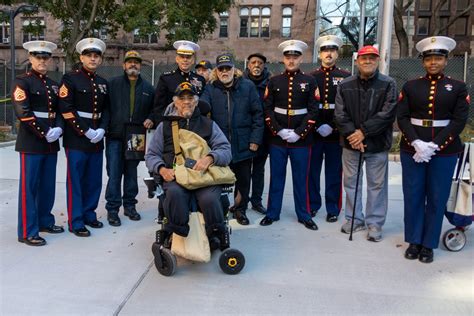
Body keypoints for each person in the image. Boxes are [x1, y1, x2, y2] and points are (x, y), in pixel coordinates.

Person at [397, 36, 469, 263]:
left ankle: (429, 244)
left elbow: (459, 120)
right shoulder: (410, 86)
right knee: (413, 195)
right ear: (423, 62)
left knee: (437, 197)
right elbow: (402, 116)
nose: (433, 63)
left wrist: (435, 145)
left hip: (444, 151)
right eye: (429, 59)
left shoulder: (458, 87)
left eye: (438, 58)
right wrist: (417, 142)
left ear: (446, 60)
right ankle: (414, 240)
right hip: (412, 148)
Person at [145, 82, 232, 246]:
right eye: (182, 98)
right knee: (175, 194)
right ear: (175, 102)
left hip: (204, 176)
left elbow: (226, 150)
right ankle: (178, 235)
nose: (186, 102)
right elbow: (151, 155)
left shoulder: (209, 125)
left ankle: (214, 234)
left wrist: (210, 158)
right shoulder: (164, 127)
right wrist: (161, 169)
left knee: (209, 199)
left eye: (190, 97)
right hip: (175, 177)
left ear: (196, 101)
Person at [334, 45, 397, 242]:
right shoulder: (345, 84)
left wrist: (364, 132)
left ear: (378, 60)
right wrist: (354, 135)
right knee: (351, 183)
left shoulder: (388, 84)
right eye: (364, 58)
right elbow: (339, 114)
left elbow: (387, 114)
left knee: (376, 186)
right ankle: (354, 219)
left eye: (372, 58)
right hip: (350, 144)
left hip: (377, 144)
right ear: (357, 61)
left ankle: (375, 224)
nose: (367, 61)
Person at [259, 40, 319, 230]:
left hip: (301, 140)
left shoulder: (310, 81)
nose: (291, 60)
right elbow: (267, 108)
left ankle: (304, 214)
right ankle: (272, 213)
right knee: (276, 177)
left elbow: (313, 110)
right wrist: (278, 130)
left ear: (301, 58)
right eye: (288, 57)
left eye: (295, 57)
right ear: (283, 58)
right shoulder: (274, 80)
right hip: (278, 139)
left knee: (301, 178)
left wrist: (299, 133)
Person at [200, 53, 264, 225]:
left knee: (243, 180)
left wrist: (255, 139)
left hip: (243, 143)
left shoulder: (247, 86)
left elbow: (258, 114)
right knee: (220, 180)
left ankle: (240, 210)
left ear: (234, 69)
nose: (225, 71)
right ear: (217, 71)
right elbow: (202, 110)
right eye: (221, 68)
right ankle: (221, 209)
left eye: (228, 68)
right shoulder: (210, 88)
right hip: (220, 145)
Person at [13, 40, 64, 246]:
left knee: (47, 186)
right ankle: (27, 230)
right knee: (29, 187)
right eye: (38, 57)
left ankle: (45, 221)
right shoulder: (22, 82)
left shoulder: (53, 84)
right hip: (32, 141)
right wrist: (45, 132)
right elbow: (23, 112)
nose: (42, 61)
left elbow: (60, 110)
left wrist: (59, 128)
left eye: (45, 57)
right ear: (31, 58)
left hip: (51, 143)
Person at [58, 38, 110, 237]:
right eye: (89, 55)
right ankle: (76, 220)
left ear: (101, 59)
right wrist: (85, 130)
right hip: (77, 138)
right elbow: (66, 108)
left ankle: (89, 214)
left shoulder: (103, 83)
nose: (93, 59)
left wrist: (102, 130)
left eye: (97, 56)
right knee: (76, 181)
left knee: (94, 180)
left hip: (97, 137)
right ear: (81, 57)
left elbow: (107, 110)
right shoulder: (70, 79)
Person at [105, 50, 155, 226]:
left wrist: (151, 118)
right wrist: (105, 129)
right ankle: (112, 209)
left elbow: (155, 109)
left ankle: (130, 206)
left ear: (140, 65)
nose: (133, 65)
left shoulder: (148, 88)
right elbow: (105, 109)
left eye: (136, 62)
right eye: (130, 62)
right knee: (114, 174)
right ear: (124, 65)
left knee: (131, 174)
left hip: (136, 138)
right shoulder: (113, 84)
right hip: (115, 136)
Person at [309, 35, 351, 223]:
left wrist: (334, 127)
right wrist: (317, 125)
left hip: (336, 134)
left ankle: (333, 208)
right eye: (325, 50)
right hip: (315, 133)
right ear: (319, 54)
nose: (328, 53)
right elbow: (308, 105)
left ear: (337, 54)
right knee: (312, 172)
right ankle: (312, 205)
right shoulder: (311, 77)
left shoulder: (346, 77)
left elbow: (349, 108)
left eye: (332, 50)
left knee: (334, 173)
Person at [243, 52, 271, 215]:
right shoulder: (240, 83)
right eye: (253, 62)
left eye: (260, 63)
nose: (256, 65)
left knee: (259, 170)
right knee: (243, 171)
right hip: (245, 133)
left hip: (264, 134)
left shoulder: (270, 83)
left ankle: (257, 201)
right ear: (248, 65)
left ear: (264, 66)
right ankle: (241, 202)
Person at [153, 40, 206, 123]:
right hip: (173, 124)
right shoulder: (166, 78)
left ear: (193, 60)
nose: (185, 60)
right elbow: (158, 107)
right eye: (182, 57)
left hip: (194, 125)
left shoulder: (200, 80)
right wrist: (162, 127)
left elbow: (202, 106)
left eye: (188, 57)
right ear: (177, 59)